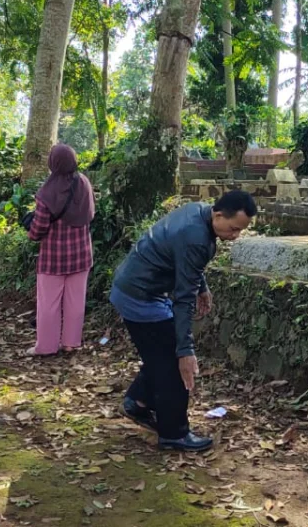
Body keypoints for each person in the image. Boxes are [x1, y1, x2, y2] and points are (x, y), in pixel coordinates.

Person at [111, 190, 257, 452]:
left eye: (240, 231)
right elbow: (183, 301)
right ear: (219, 214)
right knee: (174, 366)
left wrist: (202, 286)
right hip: (140, 295)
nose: (235, 236)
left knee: (162, 354)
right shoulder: (196, 237)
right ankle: (174, 433)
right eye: (234, 229)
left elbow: (187, 264)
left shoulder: (198, 212)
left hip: (136, 286)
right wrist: (186, 350)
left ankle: (137, 402)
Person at [26, 144, 95, 355]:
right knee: (76, 302)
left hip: (53, 256)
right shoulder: (83, 182)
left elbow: (39, 228)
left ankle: (46, 347)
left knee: (49, 303)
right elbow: (91, 213)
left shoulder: (47, 191)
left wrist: (31, 232)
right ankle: (70, 343)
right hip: (81, 253)